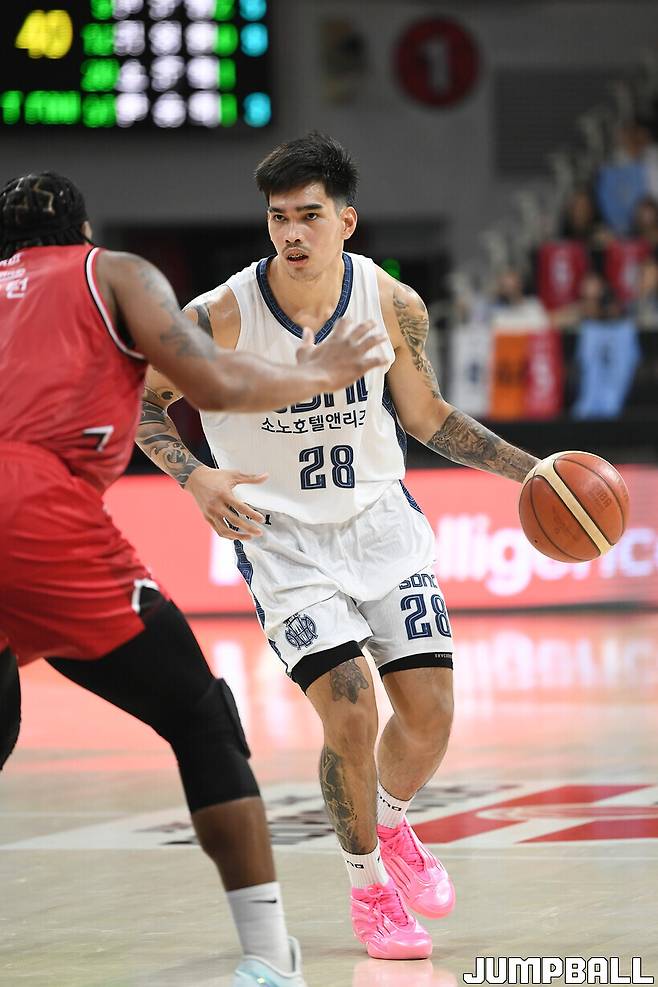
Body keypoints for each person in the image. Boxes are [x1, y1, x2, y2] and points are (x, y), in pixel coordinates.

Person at [135, 133, 539, 961]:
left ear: (346, 221)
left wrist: (534, 473)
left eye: (310, 216)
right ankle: (368, 890)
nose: (292, 232)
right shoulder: (221, 314)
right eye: (278, 217)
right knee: (351, 708)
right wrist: (195, 477)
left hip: (381, 524)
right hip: (283, 542)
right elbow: (139, 401)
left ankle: (393, 824)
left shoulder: (391, 302)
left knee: (430, 712)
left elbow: (428, 419)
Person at [0, 170, 388, 987]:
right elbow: (212, 381)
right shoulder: (113, 271)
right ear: (84, 231)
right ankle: (270, 954)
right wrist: (318, 374)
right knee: (201, 718)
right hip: (32, 506)